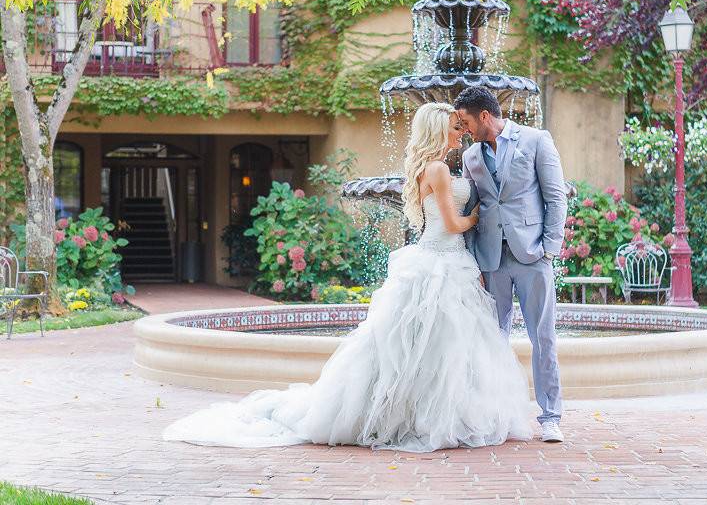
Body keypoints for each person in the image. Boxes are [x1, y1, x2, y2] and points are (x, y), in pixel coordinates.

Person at [163, 102, 533, 452]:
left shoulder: (428, 169)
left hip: (439, 260)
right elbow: (453, 224)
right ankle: (433, 418)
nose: (461, 134)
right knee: (444, 346)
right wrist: (482, 215)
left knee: (425, 347)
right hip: (443, 260)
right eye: (455, 128)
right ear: (439, 131)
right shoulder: (436, 170)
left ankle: (418, 415)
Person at [454, 86, 567, 443]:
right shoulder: (471, 156)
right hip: (491, 260)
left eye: (467, 122)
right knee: (492, 339)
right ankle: (495, 415)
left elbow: (555, 195)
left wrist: (549, 248)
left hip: (532, 255)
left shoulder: (535, 140)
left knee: (543, 337)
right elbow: (472, 207)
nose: (465, 130)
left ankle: (550, 417)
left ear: (485, 116)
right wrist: (474, 261)